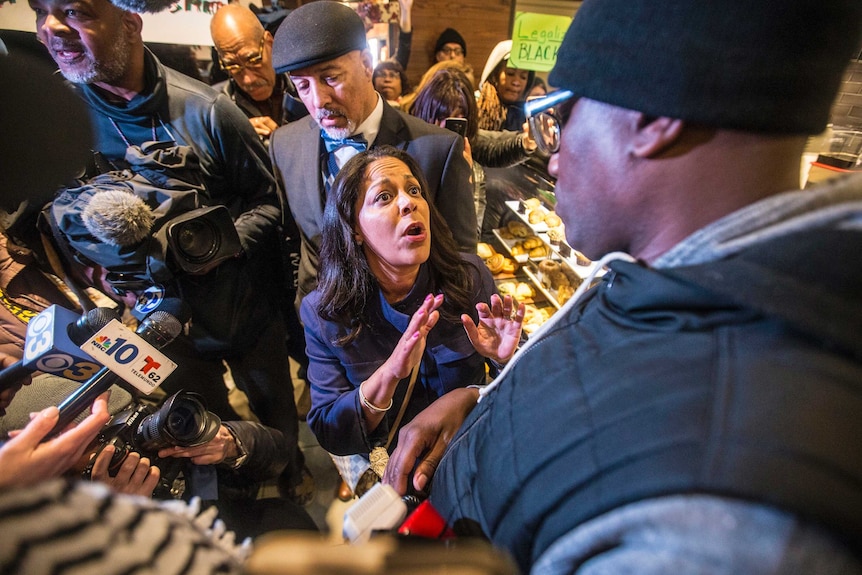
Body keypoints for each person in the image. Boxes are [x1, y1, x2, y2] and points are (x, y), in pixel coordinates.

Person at [382, 0, 862, 572]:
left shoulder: (720, 519)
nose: (552, 158)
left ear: (654, 118)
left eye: (561, 115)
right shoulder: (671, 276)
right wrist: (484, 405)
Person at [27, 0, 312, 504]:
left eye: (74, 12)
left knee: (276, 410)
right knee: (201, 415)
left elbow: (269, 205)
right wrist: (101, 271)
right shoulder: (55, 122)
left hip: (246, 312)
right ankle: (233, 481)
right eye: (40, 11)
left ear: (131, 23)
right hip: (160, 330)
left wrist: (210, 253)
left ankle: (289, 468)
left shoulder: (210, 112)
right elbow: (52, 218)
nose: (51, 28)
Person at [301, 145, 523, 494]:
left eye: (414, 190)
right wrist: (389, 376)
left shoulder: (468, 277)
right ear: (354, 228)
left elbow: (511, 387)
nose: (408, 202)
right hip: (399, 474)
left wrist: (502, 360)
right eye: (384, 196)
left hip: (473, 452)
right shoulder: (325, 312)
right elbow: (331, 430)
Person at [269, 1, 476, 306]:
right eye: (302, 86)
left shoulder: (437, 149)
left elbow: (460, 260)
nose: (318, 99)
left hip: (409, 330)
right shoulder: (284, 145)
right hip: (321, 329)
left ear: (367, 64)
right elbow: (294, 242)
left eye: (331, 78)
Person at [409, 65, 538, 234]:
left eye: (458, 119)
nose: (444, 128)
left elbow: (495, 145)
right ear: (426, 112)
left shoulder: (466, 145)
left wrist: (528, 142)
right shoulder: (408, 146)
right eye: (441, 116)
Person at [209, 3, 308, 145]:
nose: (248, 79)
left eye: (253, 60)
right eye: (232, 65)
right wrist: (235, 136)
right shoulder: (215, 109)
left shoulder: (306, 89)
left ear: (269, 42)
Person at [476, 40, 534, 132]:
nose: (516, 82)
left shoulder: (529, 115)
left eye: (523, 77)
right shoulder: (474, 105)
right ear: (494, 74)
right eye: (510, 73)